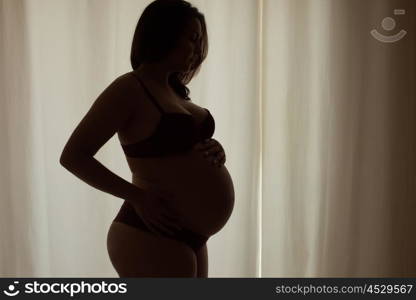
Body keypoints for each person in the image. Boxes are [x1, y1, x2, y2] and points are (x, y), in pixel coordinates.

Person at [60, 0, 234, 278]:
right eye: (192, 38)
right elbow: (73, 156)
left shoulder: (177, 93)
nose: (198, 49)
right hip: (151, 233)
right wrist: (138, 197)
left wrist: (215, 149)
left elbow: (179, 151)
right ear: (164, 33)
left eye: (200, 41)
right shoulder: (129, 88)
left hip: (191, 234)